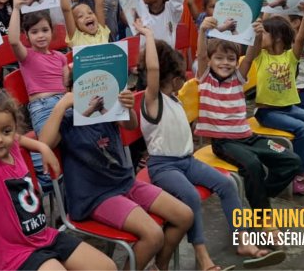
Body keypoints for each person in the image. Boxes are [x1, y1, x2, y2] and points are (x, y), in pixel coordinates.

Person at [138, 24, 284, 270]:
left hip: (187, 161)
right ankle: (203, 257)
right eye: (179, 77)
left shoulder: (173, 99)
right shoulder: (152, 100)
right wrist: (150, 36)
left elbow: (248, 56)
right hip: (164, 166)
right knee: (191, 197)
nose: (184, 81)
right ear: (171, 77)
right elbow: (153, 68)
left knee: (226, 184)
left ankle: (242, 240)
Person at [0, 47, 116, 271]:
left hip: (43, 237)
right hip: (13, 254)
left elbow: (18, 139)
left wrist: (42, 148)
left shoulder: (13, 146)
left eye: (5, 131)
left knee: (107, 267)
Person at [38, 71, 193, 271]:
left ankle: (159, 266)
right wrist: (61, 105)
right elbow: (44, 144)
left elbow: (131, 125)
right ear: (71, 91)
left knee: (184, 215)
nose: (93, 95)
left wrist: (127, 106)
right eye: (84, 88)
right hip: (95, 196)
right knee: (153, 235)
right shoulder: (68, 120)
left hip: (124, 183)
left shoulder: (108, 112)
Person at [195, 17, 301, 256]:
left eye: (230, 59)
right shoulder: (205, 78)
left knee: (291, 160)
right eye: (219, 58)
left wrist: (256, 34)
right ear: (210, 61)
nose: (225, 63)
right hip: (225, 143)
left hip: (248, 136)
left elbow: (251, 54)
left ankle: (258, 197)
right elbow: (201, 56)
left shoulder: (238, 77)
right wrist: (203, 31)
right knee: (252, 166)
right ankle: (265, 222)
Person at [253, 4, 304, 195]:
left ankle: (290, 158)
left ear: (277, 37)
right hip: (267, 111)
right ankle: (299, 172)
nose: (261, 37)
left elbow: (301, 37)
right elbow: (256, 37)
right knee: (303, 129)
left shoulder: (290, 56)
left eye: (265, 34)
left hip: (289, 108)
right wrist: (266, 11)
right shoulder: (260, 56)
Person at [8, 0, 68, 191]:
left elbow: (67, 83)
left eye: (44, 30)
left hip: (65, 101)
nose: (41, 35)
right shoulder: (27, 56)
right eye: (34, 32)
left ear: (52, 31)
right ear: (27, 36)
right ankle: (41, 176)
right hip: (43, 107)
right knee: (50, 143)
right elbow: (13, 40)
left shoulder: (60, 57)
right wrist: (16, 8)